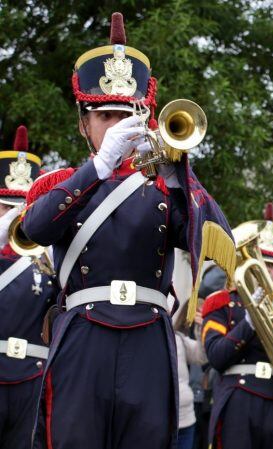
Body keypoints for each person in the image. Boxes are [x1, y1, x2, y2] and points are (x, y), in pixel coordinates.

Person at [20, 12, 232, 449]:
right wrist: (98, 167)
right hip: (84, 333)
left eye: (127, 115)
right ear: (84, 122)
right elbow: (36, 227)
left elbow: (217, 240)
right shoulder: (60, 184)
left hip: (148, 333)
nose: (117, 126)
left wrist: (181, 177)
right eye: (105, 116)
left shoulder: (164, 185)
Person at [201, 204, 273, 449]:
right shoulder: (221, 302)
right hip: (238, 400)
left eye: (272, 265)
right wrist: (248, 323)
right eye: (260, 262)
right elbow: (216, 357)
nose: (265, 270)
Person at [0, 125, 58, 448]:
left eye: (20, 210)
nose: (13, 219)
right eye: (7, 208)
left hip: (33, 380)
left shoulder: (48, 258)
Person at [173, 301, 208, 449]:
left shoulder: (178, 338)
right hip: (161, 420)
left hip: (187, 418)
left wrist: (201, 330)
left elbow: (201, 357)